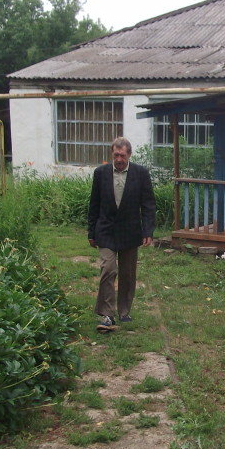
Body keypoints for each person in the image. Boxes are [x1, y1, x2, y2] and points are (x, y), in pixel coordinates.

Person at [87, 137, 156, 333]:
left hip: (130, 231)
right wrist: (91, 232)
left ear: (129, 155)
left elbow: (148, 204)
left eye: (122, 155)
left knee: (127, 273)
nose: (119, 159)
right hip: (106, 230)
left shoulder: (140, 174)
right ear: (112, 154)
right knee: (108, 269)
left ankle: (124, 310)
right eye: (116, 155)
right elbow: (94, 204)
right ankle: (107, 315)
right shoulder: (101, 173)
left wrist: (148, 230)